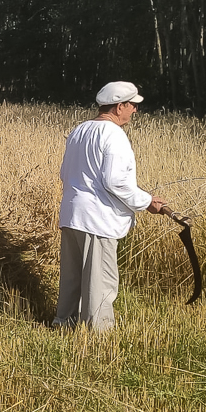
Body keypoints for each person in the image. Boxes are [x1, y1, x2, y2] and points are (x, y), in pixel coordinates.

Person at [53, 82, 165, 331]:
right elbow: (115, 181)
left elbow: (65, 172)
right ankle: (98, 333)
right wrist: (147, 202)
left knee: (72, 277)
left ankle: (64, 324)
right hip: (98, 220)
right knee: (100, 281)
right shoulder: (114, 135)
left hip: (72, 214)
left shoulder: (80, 131)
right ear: (119, 106)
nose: (135, 110)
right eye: (132, 105)